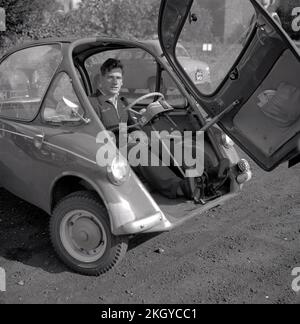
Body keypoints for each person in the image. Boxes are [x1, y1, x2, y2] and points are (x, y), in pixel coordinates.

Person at [89, 58, 193, 199]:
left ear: (122, 81)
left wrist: (140, 130)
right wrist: (125, 138)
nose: (115, 82)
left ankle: (197, 173)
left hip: (129, 142)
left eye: (118, 78)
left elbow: (134, 125)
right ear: (101, 79)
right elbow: (94, 134)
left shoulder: (123, 102)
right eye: (110, 77)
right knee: (138, 151)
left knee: (161, 143)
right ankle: (178, 188)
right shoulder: (93, 103)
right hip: (110, 149)